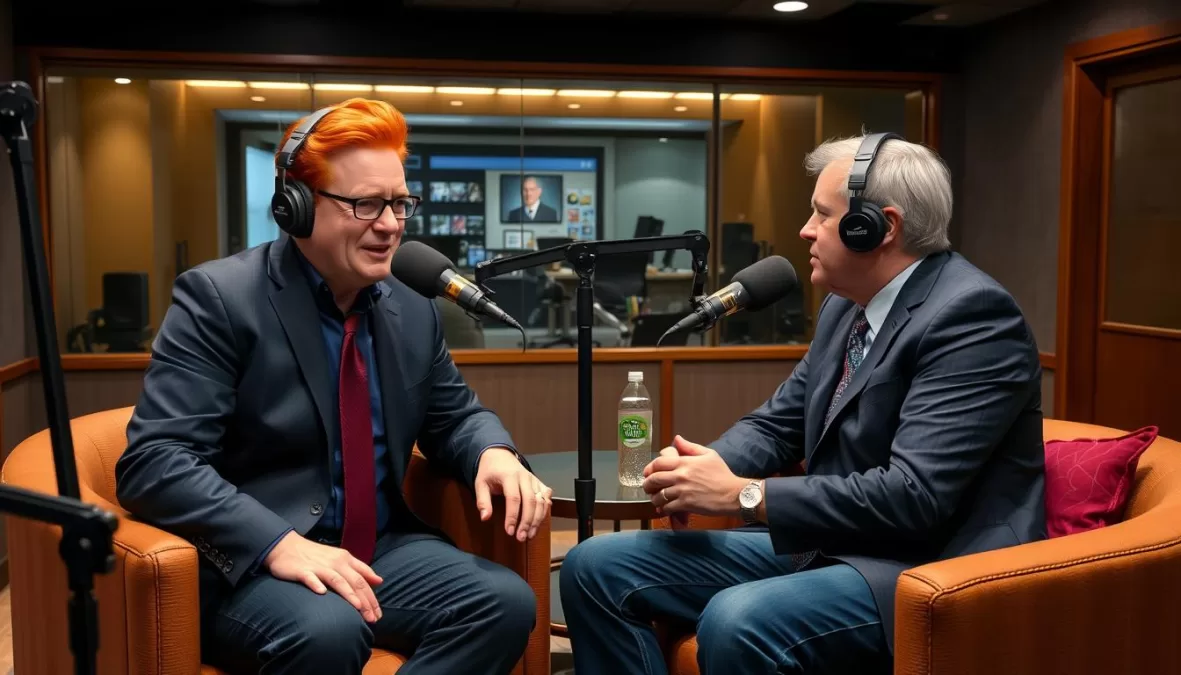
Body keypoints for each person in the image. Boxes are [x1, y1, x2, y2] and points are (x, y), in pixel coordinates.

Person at [559, 132, 1045, 674]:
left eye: (822, 214)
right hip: (833, 543)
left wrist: (743, 495)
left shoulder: (973, 317)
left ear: (878, 227)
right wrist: (709, 468)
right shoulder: (846, 307)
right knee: (594, 566)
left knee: (735, 618)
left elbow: (915, 497)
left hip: (926, 566)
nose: (805, 230)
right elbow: (778, 422)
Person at [115, 98, 552, 675]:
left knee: (502, 604)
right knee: (330, 631)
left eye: (400, 203)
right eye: (366, 203)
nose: (392, 224)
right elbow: (155, 461)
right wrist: (276, 542)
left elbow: (455, 416)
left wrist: (492, 451)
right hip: (257, 562)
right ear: (294, 206)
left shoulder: (412, 307)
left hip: (379, 548)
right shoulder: (220, 299)